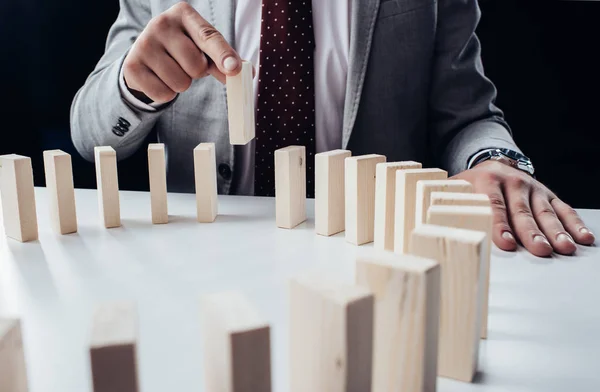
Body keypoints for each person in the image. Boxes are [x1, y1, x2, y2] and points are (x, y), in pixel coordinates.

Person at [70, 0, 594, 257]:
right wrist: (132, 87)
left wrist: (494, 162)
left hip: (373, 255)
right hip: (201, 250)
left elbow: (469, 118)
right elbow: (89, 136)